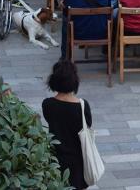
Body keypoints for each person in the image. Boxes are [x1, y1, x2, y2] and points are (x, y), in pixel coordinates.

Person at [42, 60, 93, 189]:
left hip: (56, 159)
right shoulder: (82, 106)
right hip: (78, 161)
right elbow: (88, 125)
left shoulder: (48, 104)